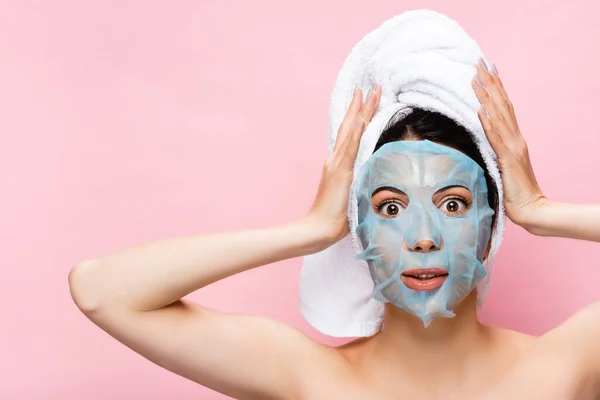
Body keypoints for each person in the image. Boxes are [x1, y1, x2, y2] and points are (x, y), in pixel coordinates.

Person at [69, 60, 600, 399]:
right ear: (359, 232)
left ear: (490, 227)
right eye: (390, 209)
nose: (422, 237)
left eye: (454, 203)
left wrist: (537, 209)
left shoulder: (562, 368)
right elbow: (103, 292)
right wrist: (313, 229)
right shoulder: (312, 379)